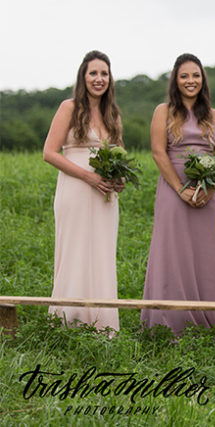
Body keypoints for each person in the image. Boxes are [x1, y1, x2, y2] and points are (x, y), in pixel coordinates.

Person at [140, 53, 215, 337]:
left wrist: (209, 189)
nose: (190, 81)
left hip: (207, 195)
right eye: (184, 76)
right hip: (173, 191)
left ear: (202, 79)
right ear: (175, 81)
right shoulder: (163, 111)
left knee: (208, 253)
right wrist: (182, 189)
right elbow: (158, 152)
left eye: (195, 75)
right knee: (172, 251)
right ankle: (171, 323)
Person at [43, 50, 124, 332]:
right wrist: (88, 177)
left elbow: (119, 155)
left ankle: (101, 322)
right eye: (93, 73)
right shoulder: (69, 107)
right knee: (75, 251)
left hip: (104, 196)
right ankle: (68, 322)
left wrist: (119, 179)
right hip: (75, 190)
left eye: (104, 73)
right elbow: (49, 153)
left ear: (110, 78)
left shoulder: (112, 114)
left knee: (101, 253)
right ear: (83, 76)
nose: (99, 79)